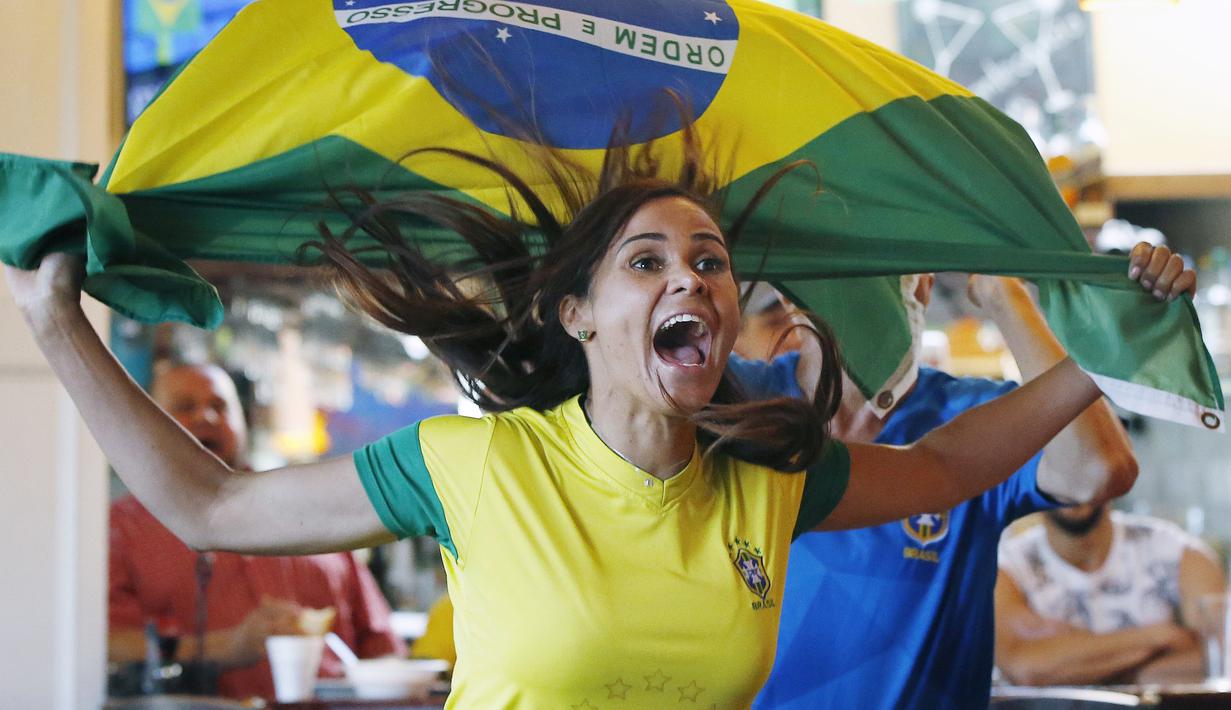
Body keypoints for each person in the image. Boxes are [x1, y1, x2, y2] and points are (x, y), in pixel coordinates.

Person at [4, 127, 1193, 708]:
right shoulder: (471, 462)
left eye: (713, 260)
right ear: (575, 310)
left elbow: (940, 469)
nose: (693, 278)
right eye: (648, 261)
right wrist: (59, 323)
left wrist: (1104, 353)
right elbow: (207, 503)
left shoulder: (762, 477)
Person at [750, 275, 1140, 709]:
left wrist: (1005, 296)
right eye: (846, 276)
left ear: (921, 287)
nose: (863, 302)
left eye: (887, 276)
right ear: (790, 293)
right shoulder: (742, 403)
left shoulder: (969, 415)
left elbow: (1099, 469)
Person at [107, 363, 405, 700]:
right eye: (185, 407)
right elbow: (105, 643)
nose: (207, 417)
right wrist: (225, 647)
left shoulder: (309, 506)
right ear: (150, 423)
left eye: (220, 406)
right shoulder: (122, 528)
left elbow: (383, 647)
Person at [996, 504, 1227, 686]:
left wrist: (1073, 668)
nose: (1071, 481)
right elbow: (1025, 669)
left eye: (1085, 463)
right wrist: (1162, 637)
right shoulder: (1006, 569)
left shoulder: (1182, 554)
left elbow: (1218, 661)